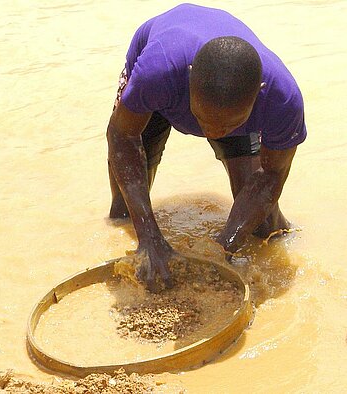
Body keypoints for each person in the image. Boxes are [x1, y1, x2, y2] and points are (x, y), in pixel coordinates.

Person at [106, 4, 307, 291]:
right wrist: (149, 237)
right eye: (202, 120)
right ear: (189, 83)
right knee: (126, 209)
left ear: (257, 98)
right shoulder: (156, 75)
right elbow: (121, 136)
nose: (210, 132)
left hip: (229, 99)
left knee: (265, 223)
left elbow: (273, 174)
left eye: (224, 128)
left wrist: (222, 248)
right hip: (166, 81)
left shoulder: (282, 101)